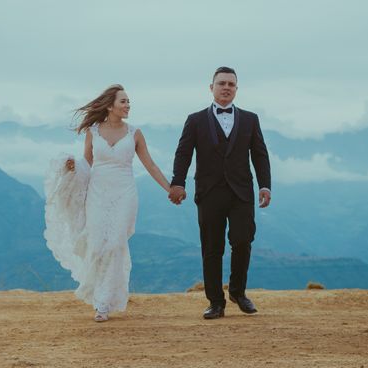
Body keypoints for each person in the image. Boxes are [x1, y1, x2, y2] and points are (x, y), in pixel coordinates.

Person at [44, 84, 171, 322]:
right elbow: (87, 164)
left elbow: (150, 165)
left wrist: (170, 188)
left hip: (124, 193)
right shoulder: (93, 131)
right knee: (98, 245)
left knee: (114, 243)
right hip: (97, 194)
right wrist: (72, 167)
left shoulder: (135, 133)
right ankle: (100, 300)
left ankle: (104, 301)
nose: (128, 106)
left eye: (128, 102)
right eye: (123, 101)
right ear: (110, 105)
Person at [169, 67, 271, 319]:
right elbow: (183, 153)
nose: (226, 87)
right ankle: (216, 301)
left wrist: (265, 185)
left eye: (231, 84)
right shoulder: (195, 120)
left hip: (241, 193)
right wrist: (177, 183)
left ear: (236, 89)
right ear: (211, 87)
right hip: (209, 192)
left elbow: (260, 154)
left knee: (242, 241)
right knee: (212, 248)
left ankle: (238, 292)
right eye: (222, 83)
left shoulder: (250, 119)